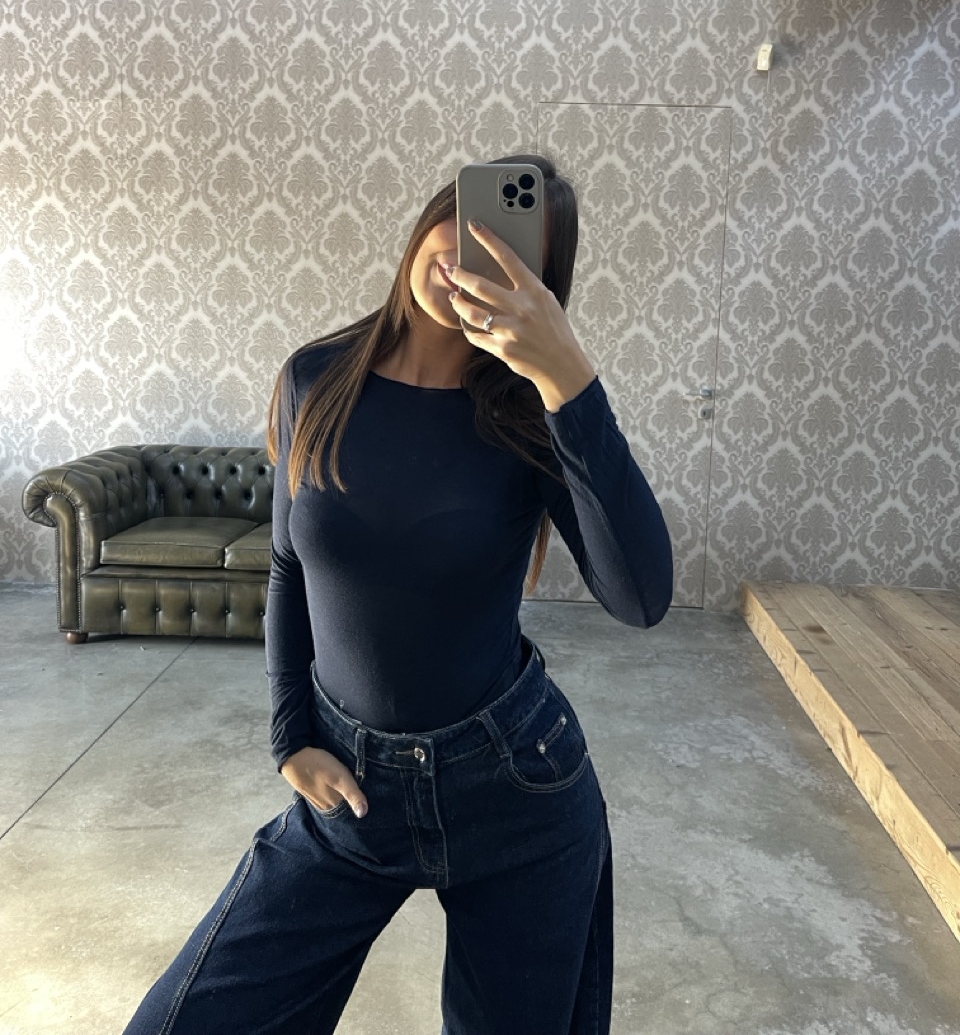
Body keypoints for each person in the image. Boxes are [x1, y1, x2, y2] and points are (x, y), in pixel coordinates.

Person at [121, 153, 674, 1035]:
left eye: (509, 244)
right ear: (427, 221)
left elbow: (642, 598)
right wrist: (289, 735)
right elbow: (288, 565)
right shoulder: (317, 379)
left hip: (515, 789)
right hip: (353, 791)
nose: (472, 249)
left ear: (537, 284)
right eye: (464, 218)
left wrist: (570, 381)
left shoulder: (532, 414)